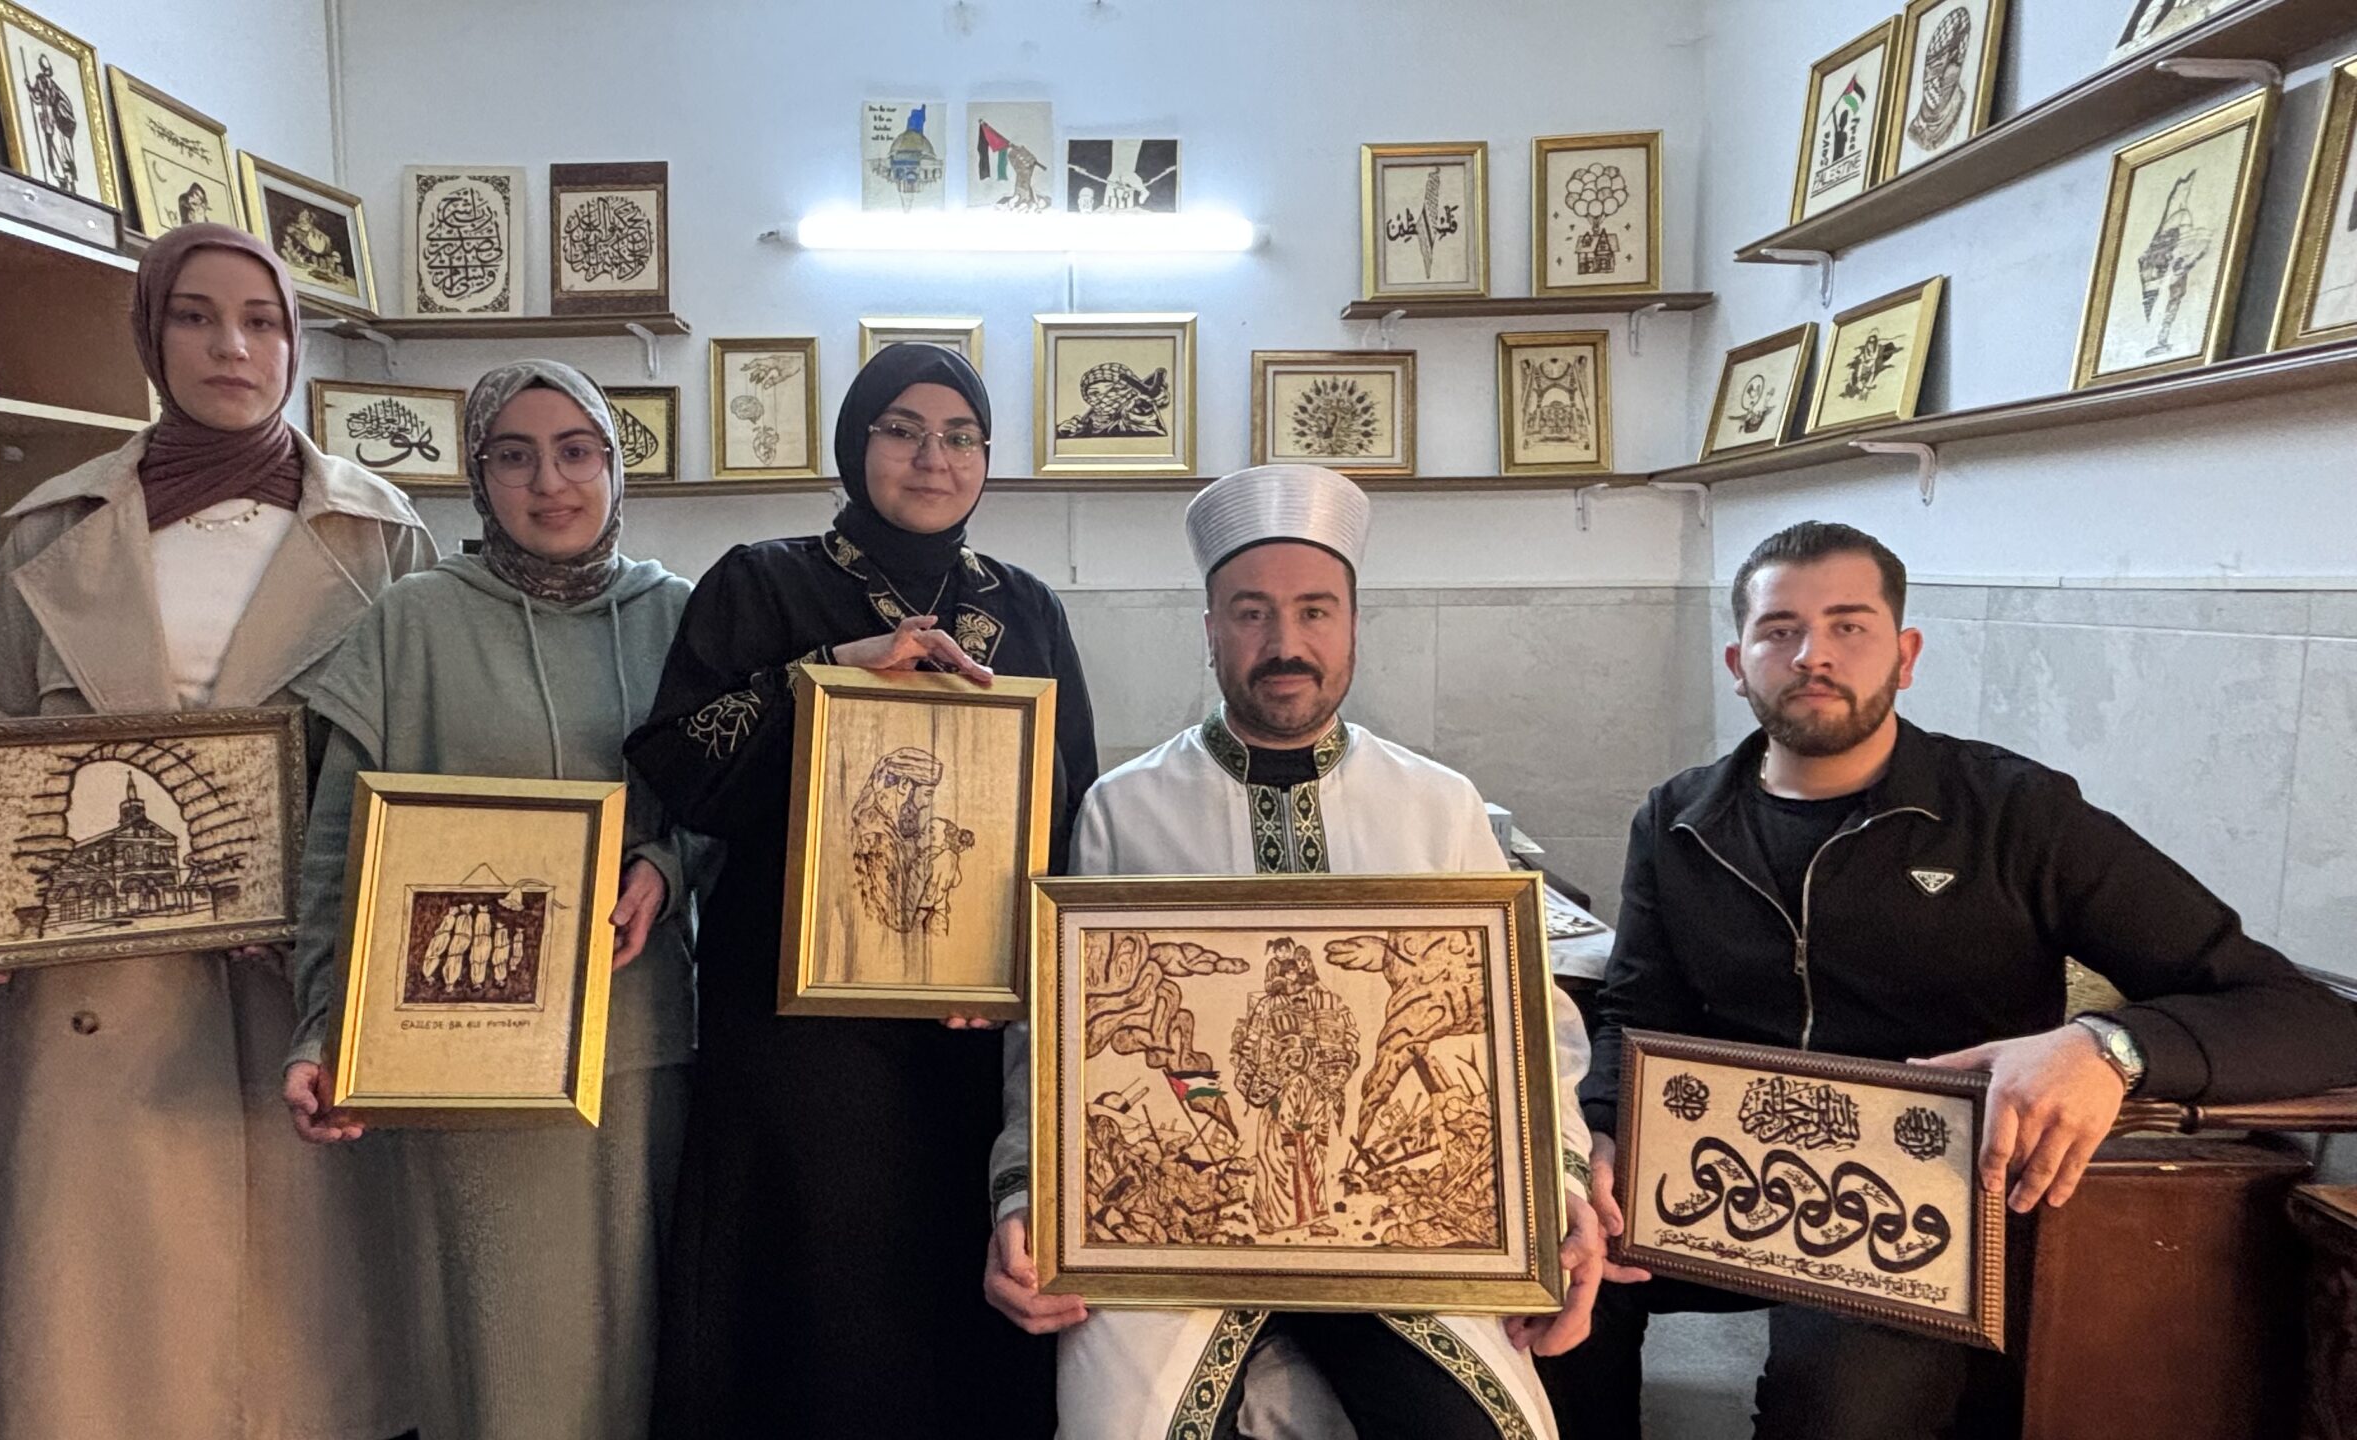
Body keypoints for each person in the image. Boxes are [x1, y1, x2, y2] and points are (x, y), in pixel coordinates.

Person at [1541, 519, 2357, 1440]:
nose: (1812, 655)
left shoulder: (2016, 814)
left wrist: (2109, 1048)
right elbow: (1637, 1011)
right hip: (1713, 1180)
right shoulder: (1678, 818)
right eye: (1780, 630)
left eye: (1849, 626)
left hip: (1923, 1213)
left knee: (1837, 1409)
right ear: (1739, 662)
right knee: (1545, 1283)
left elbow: (2309, 1016)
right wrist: (1596, 1136)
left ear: (1906, 654)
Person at [982, 464, 1608, 1440]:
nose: (1285, 643)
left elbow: (1532, 1028)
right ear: (1210, 630)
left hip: (1401, 1242)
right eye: (1250, 614)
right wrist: (1024, 1196)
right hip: (1178, 1243)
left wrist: (1559, 1186)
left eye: (1315, 611)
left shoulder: (1437, 805)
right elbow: (1059, 1035)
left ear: (1353, 626)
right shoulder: (1124, 809)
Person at [0, 222, 432, 1440]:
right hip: (99, 994)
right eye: (196, 316)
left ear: (295, 344)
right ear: (149, 336)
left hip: (299, 984)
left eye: (262, 322)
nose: (232, 347)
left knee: (308, 1347)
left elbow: (422, 763)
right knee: (105, 1349)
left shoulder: (382, 535)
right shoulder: (53, 529)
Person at [625, 343, 1096, 1437]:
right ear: (855, 442)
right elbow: (680, 762)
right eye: (903, 429)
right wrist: (831, 668)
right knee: (813, 1304)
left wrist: (1021, 965)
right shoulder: (763, 581)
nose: (934, 457)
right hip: (795, 1028)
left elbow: (1068, 809)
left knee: (956, 1307)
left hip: (969, 1026)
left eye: (961, 436)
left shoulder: (1025, 607)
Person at [280, 358, 705, 1440]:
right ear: (479, 477)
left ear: (614, 464)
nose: (549, 482)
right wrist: (324, 1024)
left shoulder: (681, 619)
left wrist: (667, 866)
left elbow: (734, 810)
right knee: (496, 1356)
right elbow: (338, 850)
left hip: (634, 1048)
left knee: (638, 1344)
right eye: (514, 456)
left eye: (576, 451)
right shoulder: (412, 622)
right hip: (457, 1055)